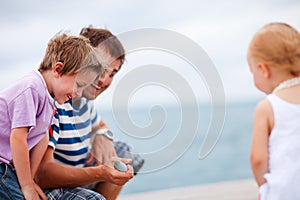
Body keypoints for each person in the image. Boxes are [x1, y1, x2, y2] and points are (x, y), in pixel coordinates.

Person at [35, 27, 143, 200]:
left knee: (126, 154)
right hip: (47, 187)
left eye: (112, 73)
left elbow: (99, 124)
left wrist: (102, 134)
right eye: (100, 68)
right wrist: (100, 172)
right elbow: (42, 174)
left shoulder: (85, 101)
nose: (103, 79)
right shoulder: (58, 101)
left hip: (77, 173)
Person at [0, 32, 103, 199]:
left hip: (11, 168)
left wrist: (31, 181)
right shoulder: (31, 88)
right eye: (79, 85)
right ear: (58, 69)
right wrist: (26, 187)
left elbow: (41, 138)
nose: (78, 94)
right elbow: (18, 138)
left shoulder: (52, 101)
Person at [248, 22, 300, 200]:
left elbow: (258, 159)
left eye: (252, 71)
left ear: (264, 70)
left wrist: (264, 189)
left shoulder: (268, 106)